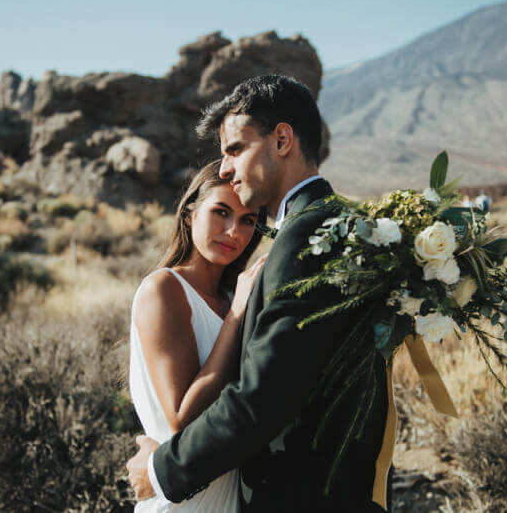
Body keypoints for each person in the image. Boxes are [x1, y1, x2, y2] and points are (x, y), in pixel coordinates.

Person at [128, 75, 391, 512]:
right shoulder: (338, 222)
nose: (226, 168)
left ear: (282, 139)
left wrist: (160, 470)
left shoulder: (306, 236)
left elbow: (264, 396)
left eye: (234, 149)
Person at [128, 159, 267, 512]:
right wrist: (237, 313)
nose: (234, 231)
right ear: (189, 214)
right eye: (221, 212)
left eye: (248, 220)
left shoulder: (231, 297)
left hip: (228, 495)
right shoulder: (164, 289)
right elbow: (181, 418)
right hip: (179, 501)